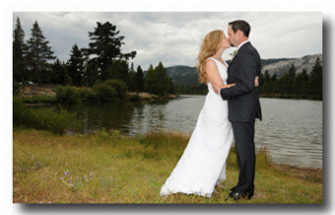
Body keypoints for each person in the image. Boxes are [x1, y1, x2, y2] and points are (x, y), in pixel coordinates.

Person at [160, 30, 235, 198]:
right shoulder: (210, 62)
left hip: (227, 109)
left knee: (221, 145)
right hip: (216, 109)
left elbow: (228, 84)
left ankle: (212, 180)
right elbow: (218, 88)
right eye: (224, 37)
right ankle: (199, 183)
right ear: (216, 41)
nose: (228, 39)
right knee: (212, 145)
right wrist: (243, 84)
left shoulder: (223, 61)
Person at [212, 20, 262, 200]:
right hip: (242, 109)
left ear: (239, 33)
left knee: (245, 151)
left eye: (230, 33)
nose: (229, 36)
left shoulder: (247, 53)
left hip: (243, 110)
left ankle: (244, 189)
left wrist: (224, 91)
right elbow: (249, 81)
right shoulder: (245, 52)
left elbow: (247, 84)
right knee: (244, 150)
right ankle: (245, 186)